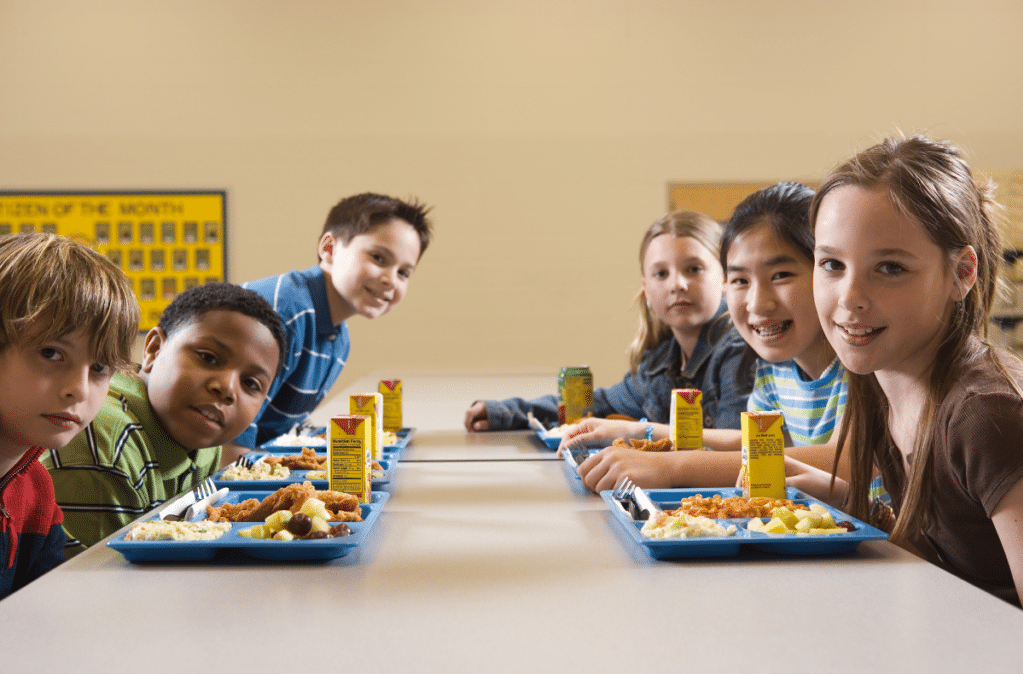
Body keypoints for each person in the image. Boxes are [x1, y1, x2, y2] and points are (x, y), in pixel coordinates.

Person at [800, 133, 1023, 607]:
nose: (849, 297)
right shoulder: (881, 381)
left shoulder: (985, 415)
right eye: (832, 264)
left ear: (963, 273)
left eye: (891, 268)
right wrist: (836, 493)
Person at [570, 183, 853, 492]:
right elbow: (752, 442)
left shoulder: (863, 359)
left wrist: (671, 466)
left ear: (829, 271)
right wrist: (638, 431)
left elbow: (842, 461)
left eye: (780, 275)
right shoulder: (774, 367)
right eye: (741, 280)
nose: (758, 303)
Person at [43, 283, 286, 557]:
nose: (228, 388)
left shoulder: (204, 438)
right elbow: (99, 578)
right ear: (154, 350)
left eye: (251, 383)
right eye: (208, 358)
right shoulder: (107, 447)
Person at [464, 210, 752, 438]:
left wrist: (638, 433)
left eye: (694, 269)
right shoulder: (659, 363)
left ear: (725, 277)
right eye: (661, 273)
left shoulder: (740, 347)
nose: (677, 284)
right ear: (646, 289)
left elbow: (731, 450)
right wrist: (507, 412)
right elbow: (597, 405)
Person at [223, 193, 433, 466]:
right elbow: (229, 444)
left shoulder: (338, 340)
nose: (390, 280)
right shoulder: (286, 312)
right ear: (329, 249)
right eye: (379, 258)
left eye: (404, 273)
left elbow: (279, 435)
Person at [0, 233, 139, 596]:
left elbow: (43, 614)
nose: (79, 388)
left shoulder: (35, 490)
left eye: (100, 367)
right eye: (50, 353)